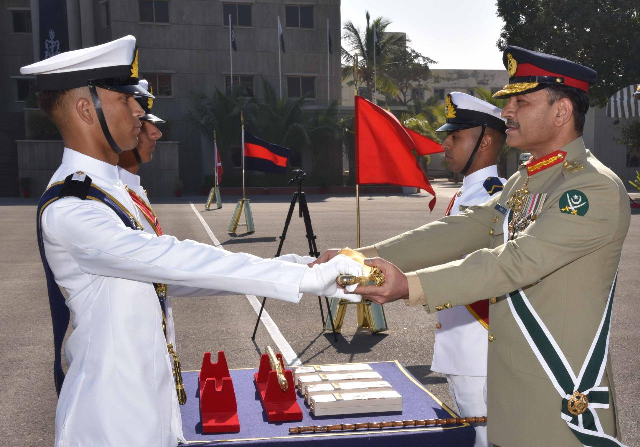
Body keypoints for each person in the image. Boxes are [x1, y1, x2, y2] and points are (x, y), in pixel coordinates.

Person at [23, 35, 362, 446]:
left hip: (150, 408)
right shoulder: (73, 207)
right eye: (125, 97)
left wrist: (299, 265)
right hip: (108, 421)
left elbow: (168, 278)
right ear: (84, 109)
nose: (138, 109)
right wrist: (309, 282)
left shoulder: (114, 194)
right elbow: (172, 259)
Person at [319, 46, 630, 446]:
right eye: (508, 102)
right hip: (516, 395)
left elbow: (514, 262)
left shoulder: (591, 187)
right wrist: (359, 256)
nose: (507, 113)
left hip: (560, 400)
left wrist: (409, 286)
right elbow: (461, 230)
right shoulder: (527, 180)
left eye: (522, 101)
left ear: (561, 112)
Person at [432, 92, 506, 447]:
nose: (445, 144)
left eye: (456, 137)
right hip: (461, 349)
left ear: (486, 141)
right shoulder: (464, 195)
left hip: (483, 353)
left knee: (486, 440)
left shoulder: (496, 198)